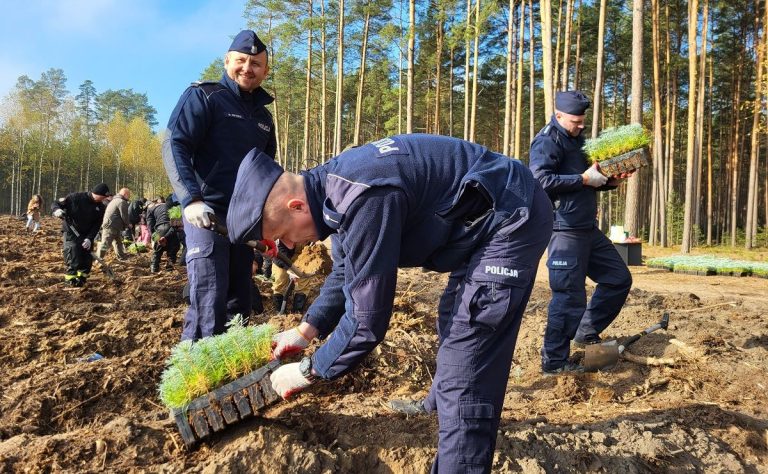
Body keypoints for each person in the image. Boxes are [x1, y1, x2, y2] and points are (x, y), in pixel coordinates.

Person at [226, 134, 553, 473]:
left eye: (283, 235)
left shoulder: (365, 197)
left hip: (512, 217)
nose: (289, 244)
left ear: (296, 206)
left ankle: (460, 455)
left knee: (469, 351)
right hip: (478, 224)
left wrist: (310, 370)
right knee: (452, 320)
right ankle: (439, 408)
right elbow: (346, 270)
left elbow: (367, 322)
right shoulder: (330, 191)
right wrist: (306, 331)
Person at [162, 29, 276, 341]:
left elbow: (267, 173)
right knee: (208, 300)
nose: (247, 68)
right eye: (241, 60)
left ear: (265, 71)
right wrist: (191, 199)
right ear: (227, 61)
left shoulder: (264, 117)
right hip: (207, 215)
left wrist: (267, 225)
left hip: (243, 221)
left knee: (240, 301)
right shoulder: (204, 96)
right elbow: (175, 146)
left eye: (256, 64)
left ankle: (228, 378)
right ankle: (193, 382)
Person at [529, 91, 633, 375]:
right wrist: (583, 179)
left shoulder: (578, 140)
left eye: (583, 120)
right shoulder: (547, 141)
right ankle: (554, 362)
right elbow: (540, 180)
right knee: (568, 297)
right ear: (559, 115)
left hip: (587, 228)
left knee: (618, 278)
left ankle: (585, 332)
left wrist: (609, 181)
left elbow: (589, 179)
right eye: (576, 121)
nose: (581, 125)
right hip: (563, 230)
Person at [51, 183, 112, 287]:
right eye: (103, 197)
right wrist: (57, 210)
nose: (104, 199)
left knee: (87, 259)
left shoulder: (100, 207)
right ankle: (70, 281)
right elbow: (56, 203)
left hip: (87, 235)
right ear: (96, 193)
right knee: (74, 255)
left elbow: (97, 225)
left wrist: (89, 238)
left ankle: (82, 279)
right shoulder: (75, 197)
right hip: (71, 232)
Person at [146, 196, 181, 272]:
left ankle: (154, 269)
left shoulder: (151, 208)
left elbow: (150, 225)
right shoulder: (173, 206)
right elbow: (176, 224)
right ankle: (169, 269)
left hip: (159, 229)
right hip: (170, 228)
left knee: (157, 251)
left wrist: (154, 236)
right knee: (172, 250)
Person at [96, 187, 132, 261]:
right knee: (105, 243)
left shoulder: (114, 200)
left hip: (114, 225)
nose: (129, 197)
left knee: (118, 242)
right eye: (128, 195)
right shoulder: (121, 202)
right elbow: (124, 216)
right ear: (125, 194)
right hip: (111, 226)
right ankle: (98, 259)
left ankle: (121, 257)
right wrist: (128, 224)